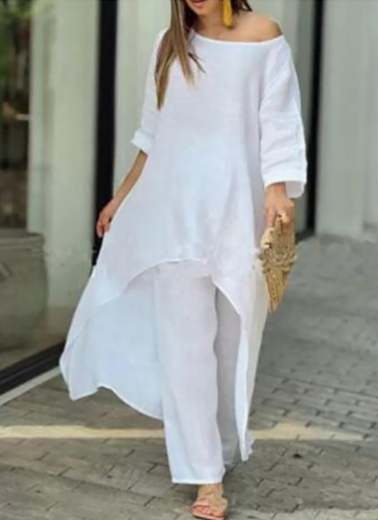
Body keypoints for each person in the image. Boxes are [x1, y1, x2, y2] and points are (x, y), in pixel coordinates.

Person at [59, 0, 308, 518]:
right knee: (185, 350)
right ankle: (205, 477)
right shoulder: (169, 46)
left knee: (232, 345)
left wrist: (277, 189)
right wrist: (123, 196)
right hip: (172, 215)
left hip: (238, 215)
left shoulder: (264, 36)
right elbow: (152, 137)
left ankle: (220, 446)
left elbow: (279, 120)